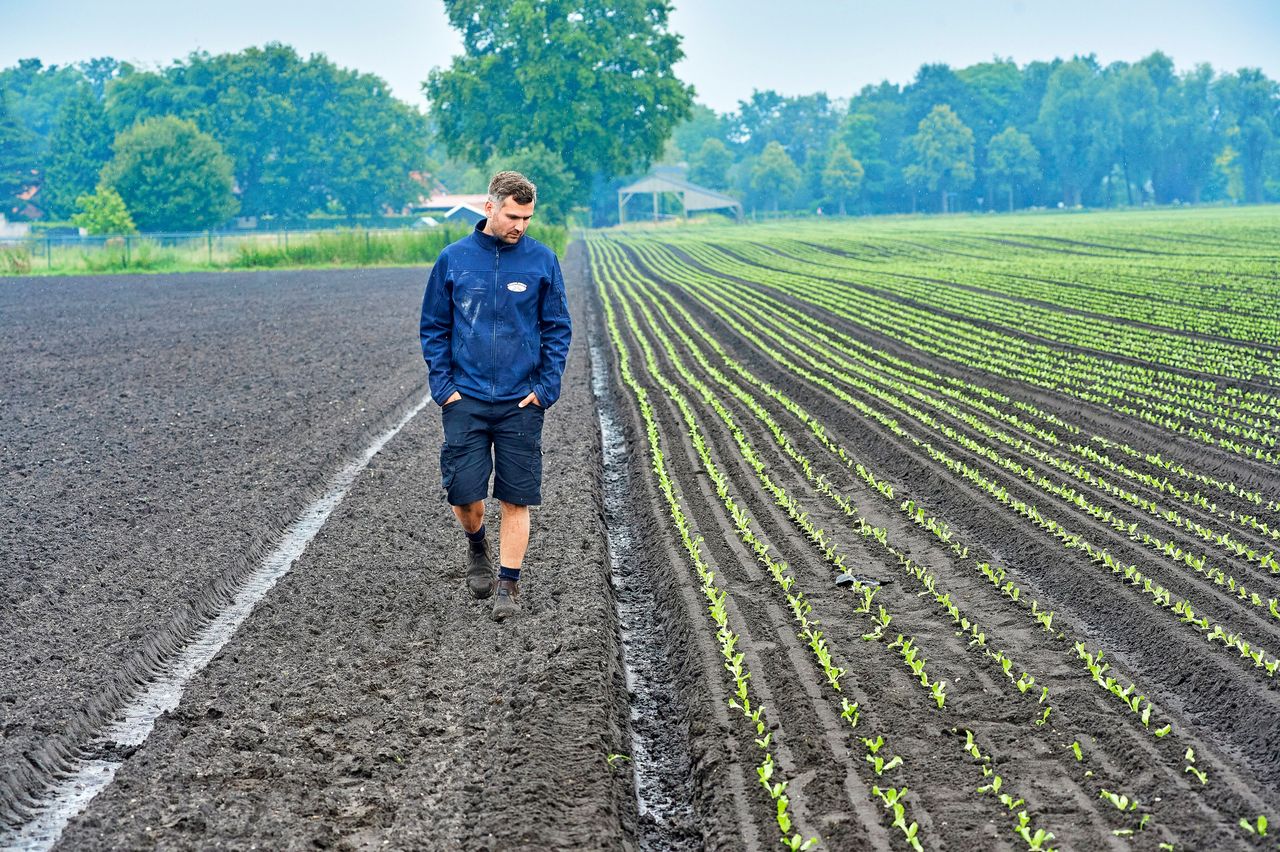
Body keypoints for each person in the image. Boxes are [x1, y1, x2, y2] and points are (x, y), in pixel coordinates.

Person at [419, 171, 572, 621]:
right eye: (511, 215)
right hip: (464, 398)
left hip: (520, 402)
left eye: (526, 217)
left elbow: (558, 329)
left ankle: (509, 585)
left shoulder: (542, 261)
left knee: (515, 497)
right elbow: (434, 327)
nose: (519, 225)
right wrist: (445, 389)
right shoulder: (454, 260)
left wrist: (545, 390)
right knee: (464, 496)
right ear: (490, 207)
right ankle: (476, 545)